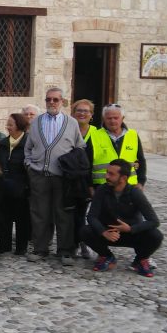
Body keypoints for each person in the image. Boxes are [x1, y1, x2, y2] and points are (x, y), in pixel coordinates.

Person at [24, 88, 86, 265]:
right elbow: (28, 147)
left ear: (62, 101)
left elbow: (80, 147)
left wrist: (71, 167)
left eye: (55, 100)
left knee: (64, 213)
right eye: (48, 99)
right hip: (39, 175)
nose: (51, 102)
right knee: (40, 213)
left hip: (63, 177)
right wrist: (29, 164)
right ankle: (40, 248)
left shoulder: (71, 123)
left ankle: (65, 250)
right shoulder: (36, 122)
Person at [80, 159, 163, 277]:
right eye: (107, 172)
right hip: (109, 233)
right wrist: (104, 232)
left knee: (156, 235)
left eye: (111, 174)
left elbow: (154, 221)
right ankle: (106, 256)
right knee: (85, 231)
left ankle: (140, 260)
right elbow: (92, 216)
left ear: (123, 178)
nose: (106, 176)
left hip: (131, 233)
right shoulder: (102, 190)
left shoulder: (135, 193)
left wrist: (131, 229)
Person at [0, 113, 31, 255]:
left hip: (22, 187)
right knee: (4, 217)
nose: (7, 127)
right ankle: (4, 245)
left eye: (11, 124)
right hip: (4, 186)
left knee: (22, 218)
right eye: (7, 124)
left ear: (19, 126)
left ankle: (21, 246)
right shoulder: (3, 144)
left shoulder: (28, 143)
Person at [88, 104, 147, 189]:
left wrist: (141, 182)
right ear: (104, 119)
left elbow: (141, 161)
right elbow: (87, 165)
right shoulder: (94, 136)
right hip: (102, 187)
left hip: (129, 186)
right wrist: (90, 187)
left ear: (122, 118)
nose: (112, 121)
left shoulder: (133, 135)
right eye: (109, 118)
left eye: (116, 118)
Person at [72, 99, 97, 259]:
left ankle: (85, 243)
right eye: (79, 110)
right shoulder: (68, 130)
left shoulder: (97, 133)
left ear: (91, 115)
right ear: (73, 113)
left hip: (90, 181)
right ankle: (75, 243)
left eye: (86, 111)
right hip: (71, 179)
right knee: (73, 215)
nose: (82, 113)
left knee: (86, 214)